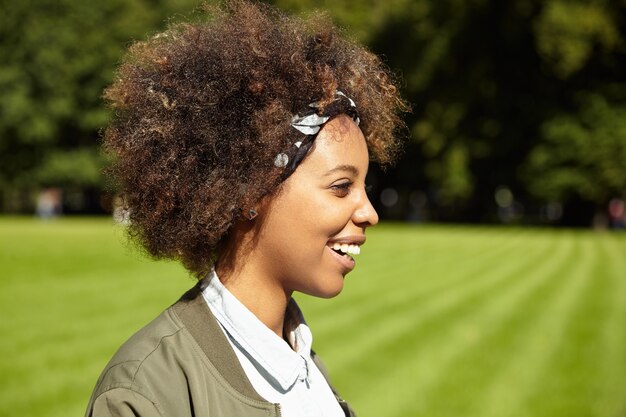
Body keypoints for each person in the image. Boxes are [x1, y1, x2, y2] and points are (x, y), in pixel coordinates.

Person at [85, 1, 407, 416]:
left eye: (365, 187)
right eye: (342, 186)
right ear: (253, 191)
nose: (369, 213)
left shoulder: (304, 365)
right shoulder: (147, 391)